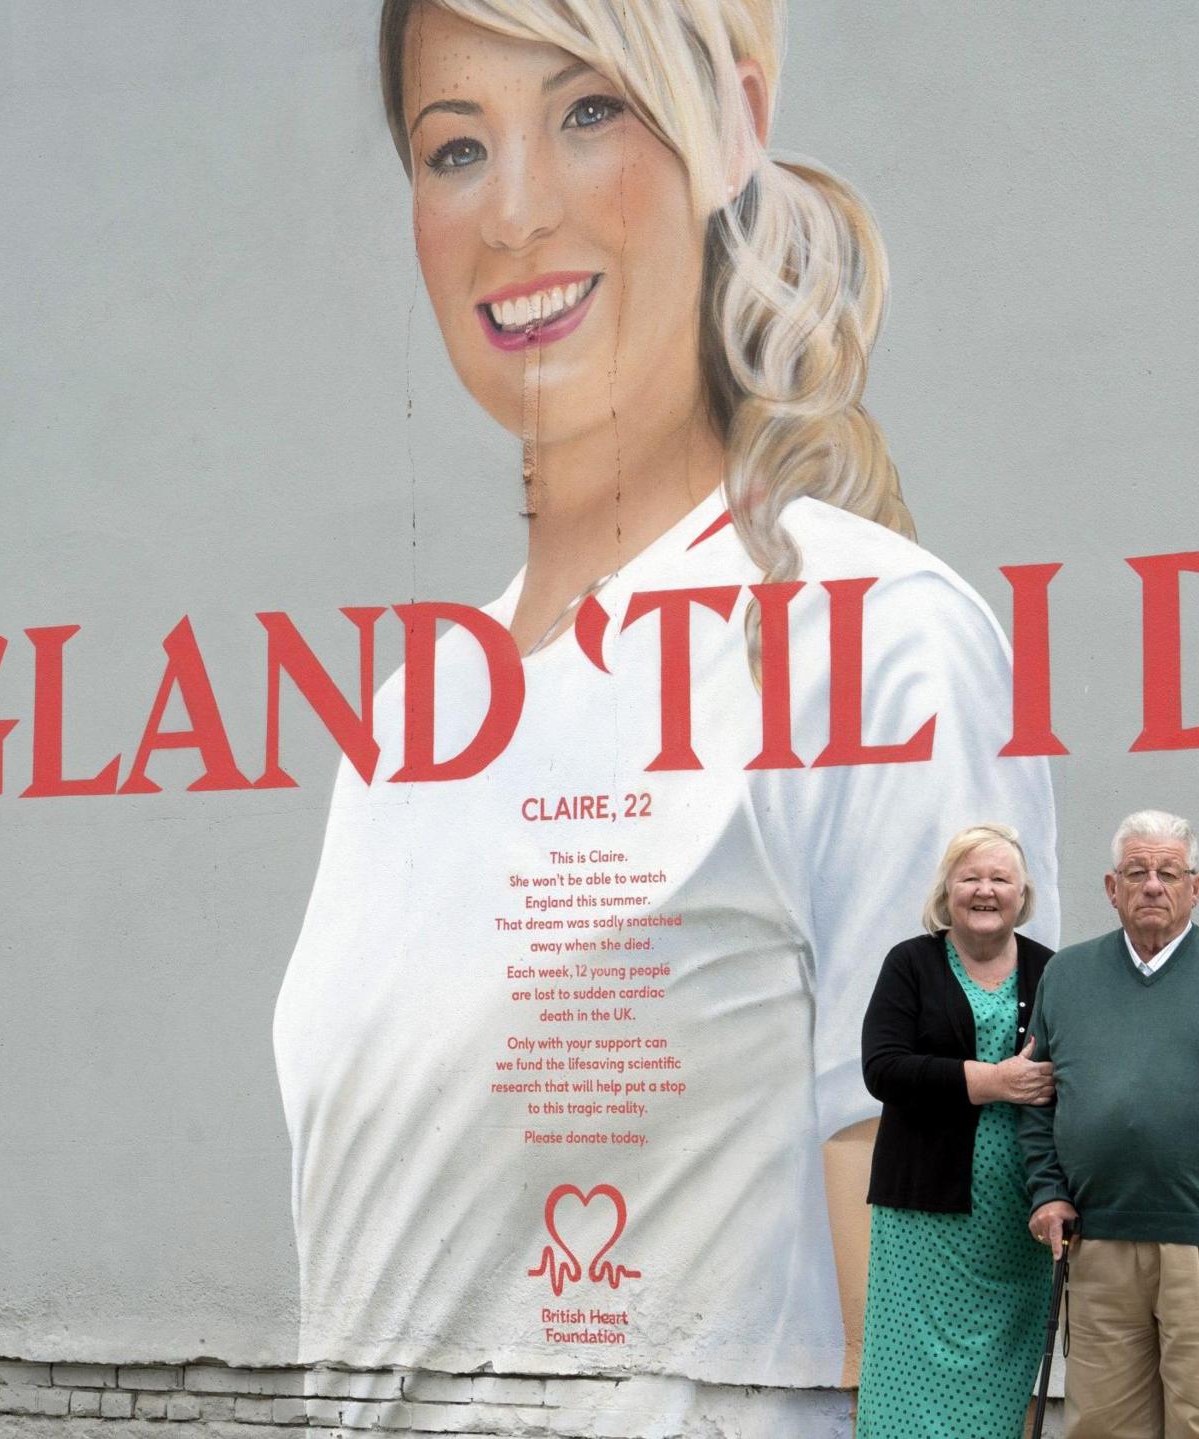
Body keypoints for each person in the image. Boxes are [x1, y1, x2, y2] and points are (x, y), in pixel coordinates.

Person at [271, 0, 1060, 1391]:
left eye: (588, 113)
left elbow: (948, 1234)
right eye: (454, 149)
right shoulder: (405, 721)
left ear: (736, 120)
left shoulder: (873, 636)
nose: (513, 215)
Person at [1020, 811, 1199, 1439]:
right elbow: (1036, 1097)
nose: (1153, 885)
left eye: (1168, 872)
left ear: (1195, 887)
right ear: (1111, 887)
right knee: (1102, 1421)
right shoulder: (1065, 977)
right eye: (1137, 871)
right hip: (1096, 1239)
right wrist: (1047, 1192)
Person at [854, 824, 1059, 1438]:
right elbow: (882, 1068)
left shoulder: (1053, 971)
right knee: (908, 1372)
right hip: (923, 1215)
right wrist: (991, 1082)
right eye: (970, 877)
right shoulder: (911, 963)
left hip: (1017, 1214)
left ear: (1023, 894)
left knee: (997, 1376)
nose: (985, 890)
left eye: (1000, 878)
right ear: (947, 890)